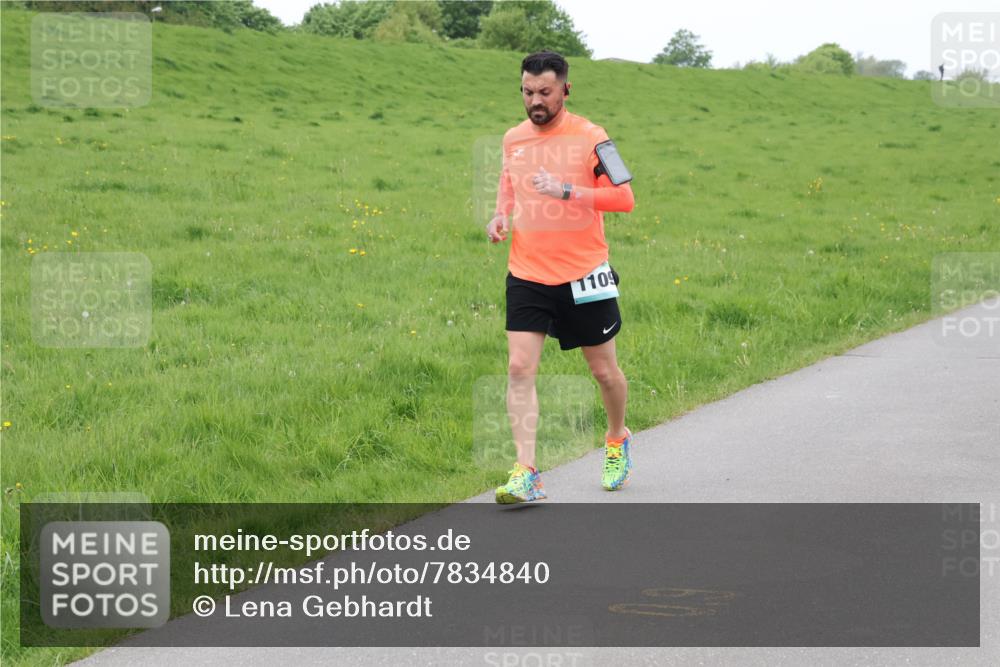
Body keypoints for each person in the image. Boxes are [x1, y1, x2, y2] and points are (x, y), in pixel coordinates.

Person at [485, 50, 636, 503]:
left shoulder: (592, 137)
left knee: (604, 371)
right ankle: (527, 472)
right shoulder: (513, 138)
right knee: (519, 368)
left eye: (545, 92)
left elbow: (624, 198)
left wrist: (567, 190)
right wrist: (501, 214)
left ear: (565, 90)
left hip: (584, 273)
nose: (536, 100)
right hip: (527, 271)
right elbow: (509, 182)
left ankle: (617, 437)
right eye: (528, 92)